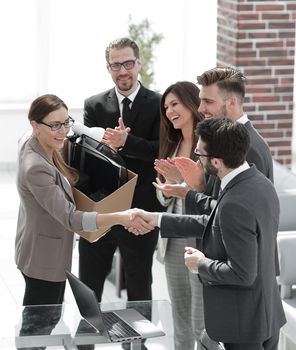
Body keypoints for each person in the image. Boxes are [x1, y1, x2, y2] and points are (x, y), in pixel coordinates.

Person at [130, 118, 286, 350]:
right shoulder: (259, 183)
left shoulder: (234, 201)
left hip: (242, 326)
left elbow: (242, 274)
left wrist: (200, 263)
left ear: (216, 161)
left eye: (199, 155)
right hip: (265, 316)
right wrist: (158, 219)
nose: (196, 161)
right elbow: (214, 222)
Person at [15, 94, 153, 306]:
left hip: (37, 244)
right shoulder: (36, 168)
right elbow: (71, 218)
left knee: (44, 321)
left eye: (66, 122)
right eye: (55, 125)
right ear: (35, 125)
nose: (63, 131)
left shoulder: (32, 141)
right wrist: (120, 217)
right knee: (40, 325)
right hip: (43, 258)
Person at [78, 37, 164, 306]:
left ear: (139, 63)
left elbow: (160, 151)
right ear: (108, 68)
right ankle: (86, 346)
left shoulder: (159, 104)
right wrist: (112, 148)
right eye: (116, 65)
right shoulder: (94, 105)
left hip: (141, 211)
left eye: (128, 63)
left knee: (139, 287)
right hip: (101, 209)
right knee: (89, 286)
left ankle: (137, 347)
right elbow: (89, 156)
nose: (123, 70)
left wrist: (127, 143)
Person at [154, 66, 274, 214]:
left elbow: (240, 215)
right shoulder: (224, 141)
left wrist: (189, 193)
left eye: (208, 102)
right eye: (200, 101)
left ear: (232, 103)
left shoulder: (250, 148)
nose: (200, 109)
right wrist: (198, 185)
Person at [153, 81, 204, 350]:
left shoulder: (206, 144)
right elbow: (164, 195)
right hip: (173, 239)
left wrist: (180, 183)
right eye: (166, 107)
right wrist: (168, 190)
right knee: (179, 314)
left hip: (199, 237)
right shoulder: (172, 145)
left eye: (175, 104)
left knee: (200, 319)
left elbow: (207, 191)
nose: (170, 111)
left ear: (191, 102)